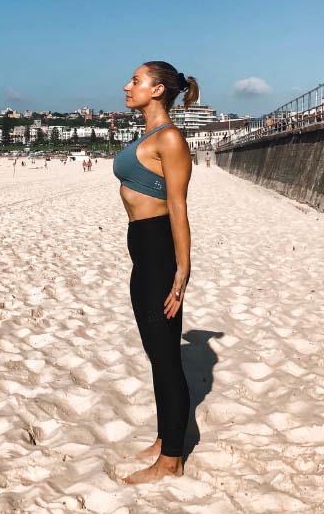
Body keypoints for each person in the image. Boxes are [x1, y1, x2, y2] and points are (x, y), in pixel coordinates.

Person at [114, 60, 196, 484]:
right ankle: (167, 439)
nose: (127, 86)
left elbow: (179, 207)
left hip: (160, 254)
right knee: (155, 352)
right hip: (142, 254)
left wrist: (182, 271)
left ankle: (172, 460)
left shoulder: (170, 139)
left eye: (136, 80)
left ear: (159, 89)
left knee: (166, 359)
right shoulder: (147, 134)